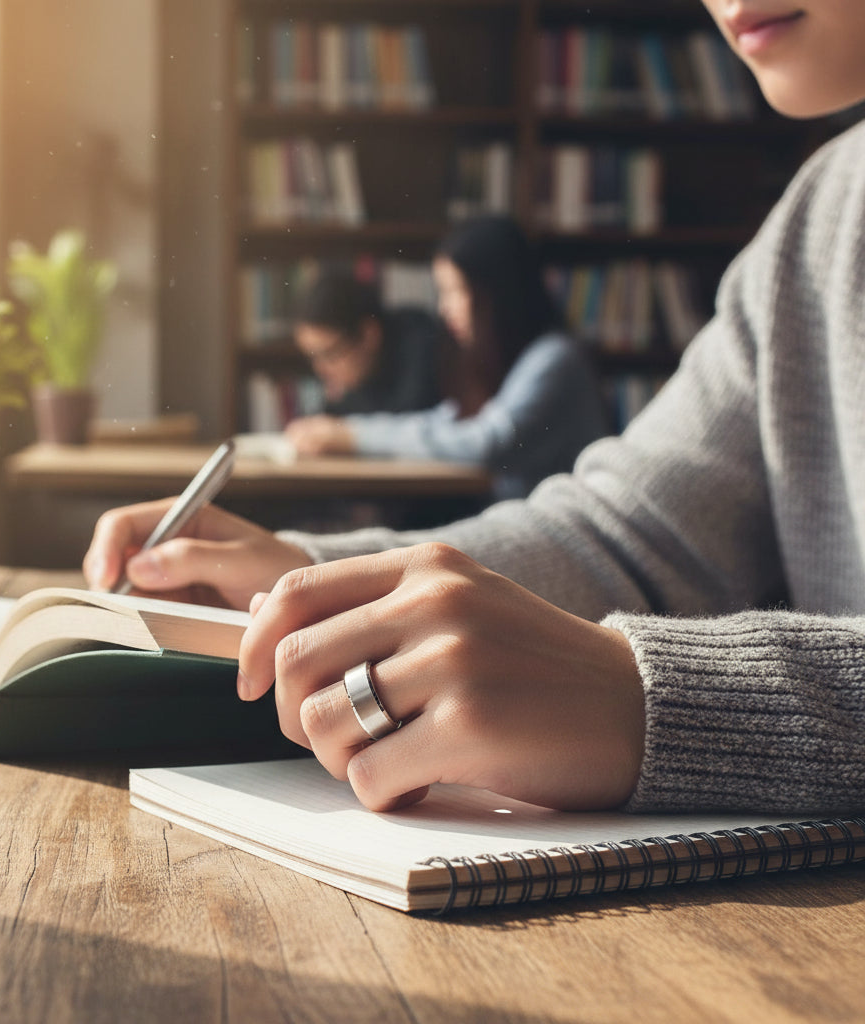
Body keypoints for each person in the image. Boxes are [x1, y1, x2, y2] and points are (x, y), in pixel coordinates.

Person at [85, 0, 865, 819]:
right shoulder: (820, 214)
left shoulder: (553, 359)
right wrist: (314, 580)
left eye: (460, 296)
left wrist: (644, 701)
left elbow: (487, 443)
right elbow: (633, 537)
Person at [287, 216, 609, 500]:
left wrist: (351, 436)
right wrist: (344, 431)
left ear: (496, 292)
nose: (443, 308)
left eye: (455, 291)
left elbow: (485, 441)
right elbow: (445, 422)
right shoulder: (508, 361)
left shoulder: (555, 358)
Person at [291, 268, 444, 417]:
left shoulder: (417, 340)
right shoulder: (354, 375)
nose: (320, 369)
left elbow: (411, 417)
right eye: (313, 357)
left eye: (330, 354)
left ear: (369, 335)